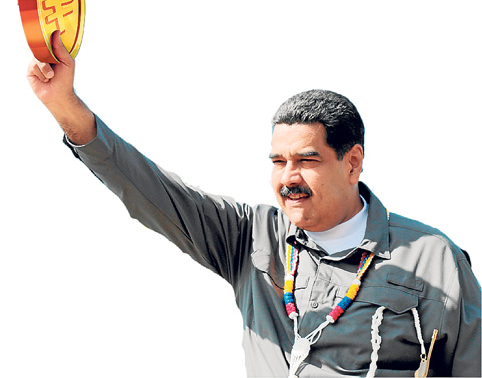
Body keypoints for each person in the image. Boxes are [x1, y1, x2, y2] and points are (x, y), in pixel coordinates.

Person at [27, 32, 481, 377]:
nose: (288, 179)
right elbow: (147, 187)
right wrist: (64, 104)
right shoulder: (249, 236)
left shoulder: (434, 260)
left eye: (306, 161)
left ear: (353, 163)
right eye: (278, 162)